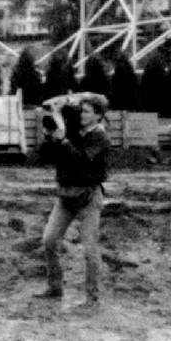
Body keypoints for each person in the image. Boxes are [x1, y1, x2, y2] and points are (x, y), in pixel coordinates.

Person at [36, 91, 110, 303]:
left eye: (86, 111)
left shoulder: (100, 137)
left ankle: (92, 296)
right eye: (81, 111)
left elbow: (82, 160)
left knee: (89, 248)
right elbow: (45, 156)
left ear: (98, 115)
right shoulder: (74, 132)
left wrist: (64, 140)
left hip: (88, 196)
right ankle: (54, 287)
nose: (81, 115)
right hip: (66, 195)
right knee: (49, 240)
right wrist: (51, 138)